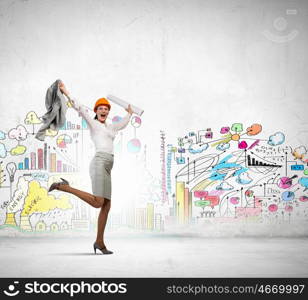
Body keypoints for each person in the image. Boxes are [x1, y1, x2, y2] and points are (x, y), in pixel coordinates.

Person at [48, 81, 133, 254]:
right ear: (95, 111)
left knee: (106, 205)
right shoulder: (93, 124)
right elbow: (79, 107)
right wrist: (65, 91)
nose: (104, 111)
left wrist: (129, 114)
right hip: (99, 162)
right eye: (100, 108)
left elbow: (123, 124)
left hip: (109, 165)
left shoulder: (111, 127)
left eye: (106, 109)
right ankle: (64, 187)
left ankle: (99, 242)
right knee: (98, 202)